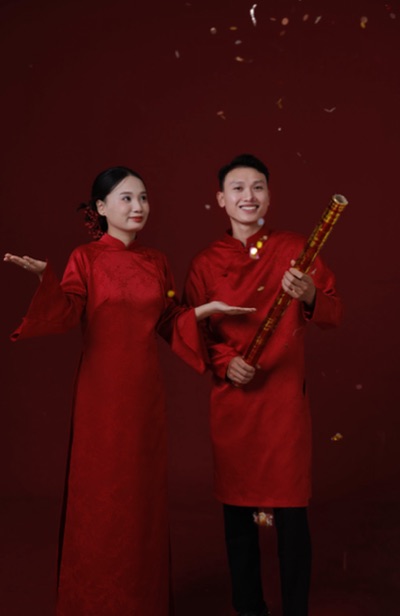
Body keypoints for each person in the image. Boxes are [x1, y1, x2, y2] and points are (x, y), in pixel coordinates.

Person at [4, 166, 255, 616]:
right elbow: (66, 313)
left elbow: (167, 321)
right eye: (126, 198)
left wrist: (203, 310)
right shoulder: (86, 258)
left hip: (145, 397)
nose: (138, 207)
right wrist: (46, 279)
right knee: (100, 496)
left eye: (143, 198)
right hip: (101, 396)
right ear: (101, 208)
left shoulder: (156, 260)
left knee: (142, 500)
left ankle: (143, 602)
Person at [183, 154, 343, 616]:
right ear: (220, 199)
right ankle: (248, 608)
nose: (248, 196)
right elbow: (192, 328)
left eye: (258, 187)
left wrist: (309, 294)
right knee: (238, 518)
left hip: (283, 403)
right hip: (234, 401)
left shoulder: (296, 248)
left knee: (291, 517)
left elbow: (334, 312)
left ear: (269, 197)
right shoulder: (205, 263)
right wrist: (225, 363)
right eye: (237, 188)